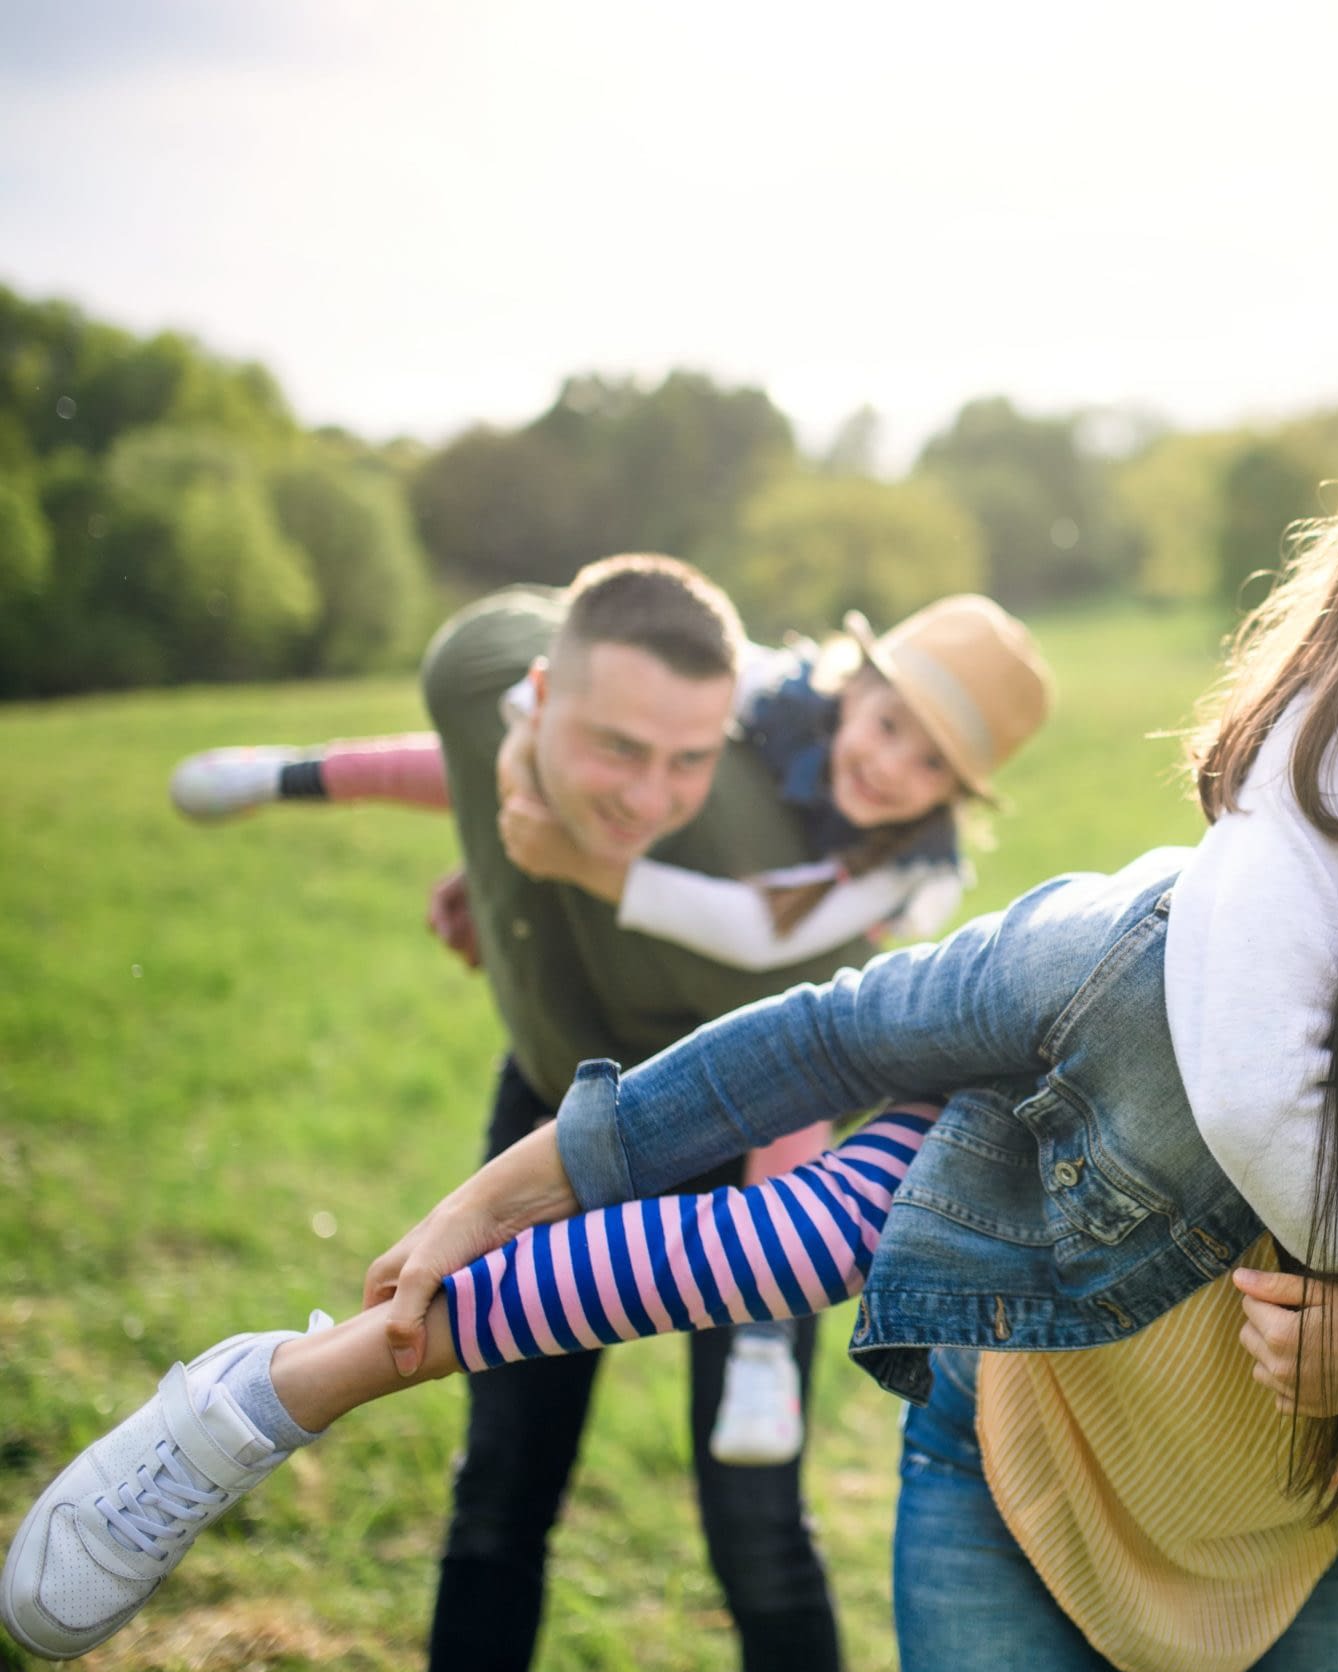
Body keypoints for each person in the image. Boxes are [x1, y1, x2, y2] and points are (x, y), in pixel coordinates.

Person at [4, 701, 1338, 1672]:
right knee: (774, 1235)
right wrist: (471, 1217)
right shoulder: (1133, 995)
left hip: (1287, 1543)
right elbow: (786, 1077)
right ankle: (271, 1388)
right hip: (1019, 1438)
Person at [164, 592, 1054, 1467]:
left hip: (743, 1047)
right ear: (852, 685)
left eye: (931, 765)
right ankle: (291, 773)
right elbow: (565, 723)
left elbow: (756, 932)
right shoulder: (759, 695)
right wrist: (507, 817)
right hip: (595, 1016)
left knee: (806, 1035)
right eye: (890, 724)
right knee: (557, 768)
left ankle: (760, 1347)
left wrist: (586, 869)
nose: (894, 767)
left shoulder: (903, 867)